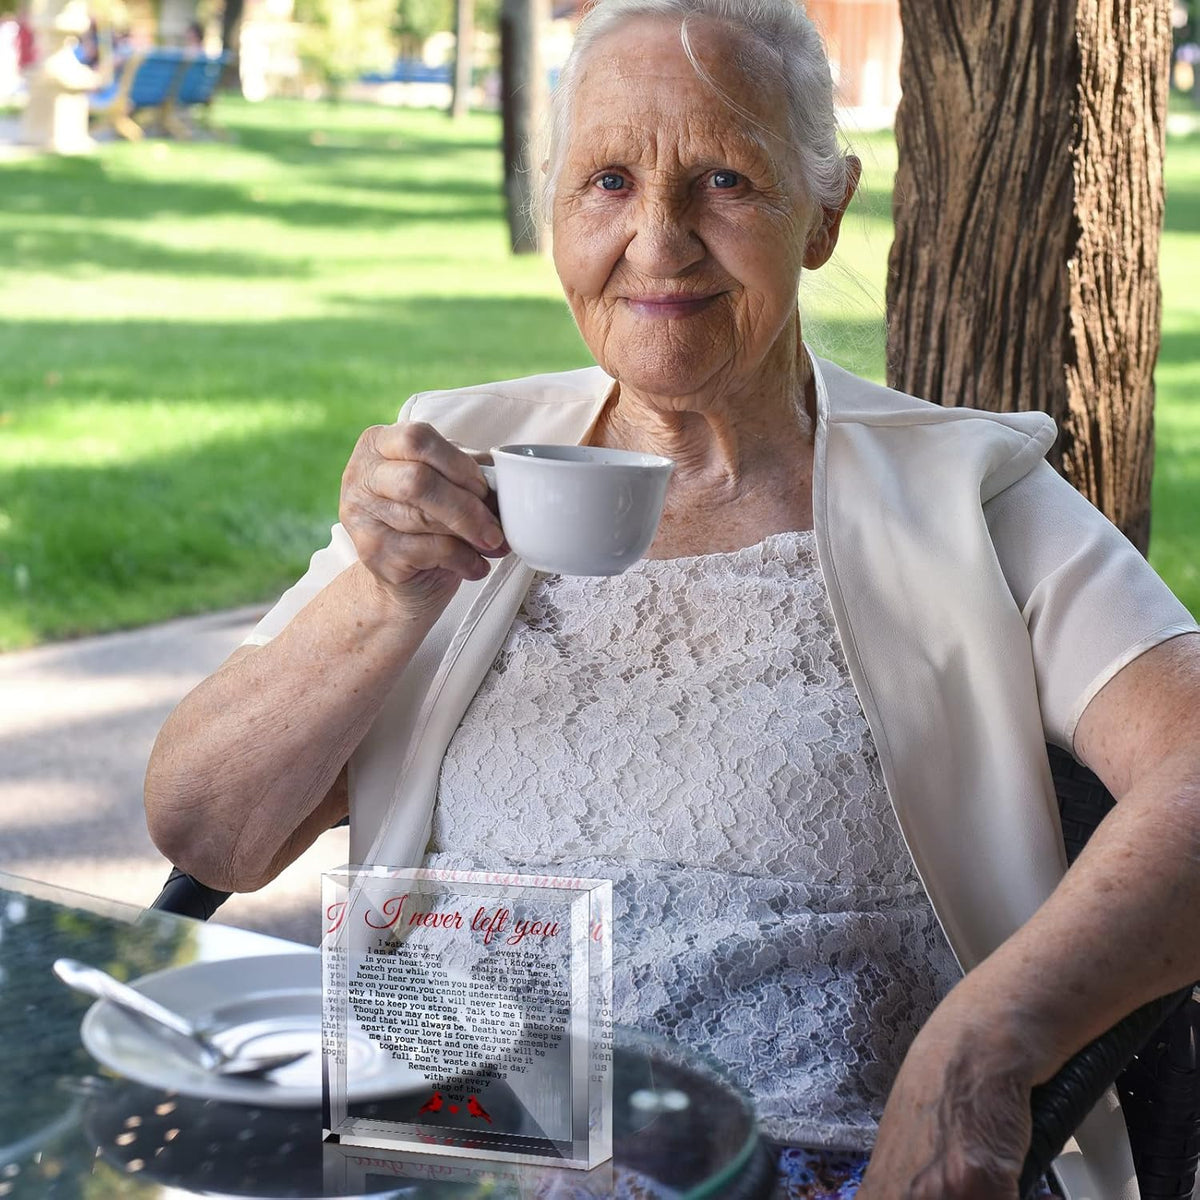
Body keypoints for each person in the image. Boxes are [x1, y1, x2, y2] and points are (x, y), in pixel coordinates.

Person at [144, 0, 1200, 1194]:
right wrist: (389, 598)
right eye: (605, 180)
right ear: (553, 206)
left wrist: (986, 1042)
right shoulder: (461, 458)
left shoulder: (963, 492)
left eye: (723, 181)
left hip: (796, 1162)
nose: (657, 242)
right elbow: (206, 832)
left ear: (826, 211)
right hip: (441, 1145)